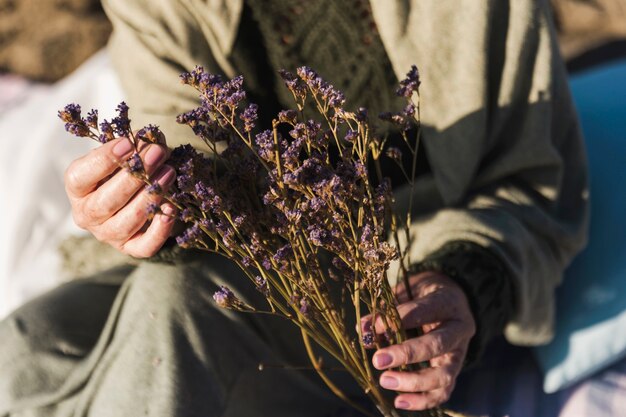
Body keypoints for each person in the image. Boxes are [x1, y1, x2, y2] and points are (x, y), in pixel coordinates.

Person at [0, 0, 588, 416]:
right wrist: (148, 212)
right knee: (27, 346)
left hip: (395, 280)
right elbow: (191, 178)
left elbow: (531, 185)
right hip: (255, 267)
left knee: (175, 310)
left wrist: (467, 281)